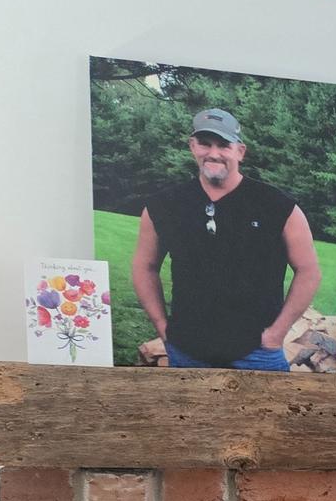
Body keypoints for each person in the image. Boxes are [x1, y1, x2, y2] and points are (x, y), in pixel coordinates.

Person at [132, 108, 320, 370]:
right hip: (187, 351)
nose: (214, 153)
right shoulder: (164, 206)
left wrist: (276, 333)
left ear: (240, 151)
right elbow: (145, 266)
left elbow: (308, 270)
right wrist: (163, 328)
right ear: (192, 146)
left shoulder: (277, 206)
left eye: (223, 145)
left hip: (258, 352)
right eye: (205, 144)